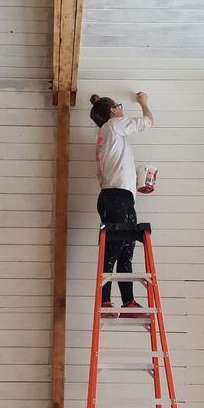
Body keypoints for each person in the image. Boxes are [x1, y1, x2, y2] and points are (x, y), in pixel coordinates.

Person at [90, 91, 154, 317]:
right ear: (113, 112)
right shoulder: (113, 126)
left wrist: (131, 186)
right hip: (116, 196)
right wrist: (143, 102)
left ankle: (129, 303)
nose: (121, 109)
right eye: (119, 106)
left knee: (126, 251)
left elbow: (102, 175)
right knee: (113, 249)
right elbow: (147, 122)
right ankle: (105, 302)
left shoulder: (105, 137)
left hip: (117, 196)